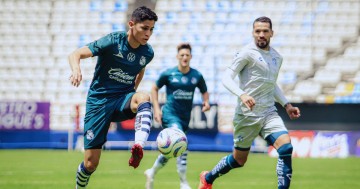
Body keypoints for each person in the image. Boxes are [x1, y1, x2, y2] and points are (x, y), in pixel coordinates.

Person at [198, 16, 301, 189]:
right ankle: (208, 178)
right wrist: (242, 94)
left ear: (271, 33)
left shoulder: (277, 57)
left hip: (268, 112)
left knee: (285, 149)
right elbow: (226, 77)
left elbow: (271, 84)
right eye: (258, 31)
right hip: (247, 115)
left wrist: (287, 105)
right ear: (253, 33)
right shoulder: (246, 53)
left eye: (265, 31)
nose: (261, 34)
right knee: (239, 160)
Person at [68, 6, 158, 189]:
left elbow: (140, 69)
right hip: (99, 104)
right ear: (131, 24)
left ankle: (138, 146)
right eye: (144, 28)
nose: (148, 33)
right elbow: (75, 54)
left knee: (143, 97)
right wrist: (76, 70)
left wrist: (134, 90)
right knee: (91, 164)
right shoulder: (112, 41)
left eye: (151, 29)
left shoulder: (148, 52)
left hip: (121, 100)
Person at [144, 43, 210, 189]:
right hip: (170, 115)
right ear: (177, 57)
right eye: (182, 55)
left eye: (187, 55)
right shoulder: (169, 74)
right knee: (181, 143)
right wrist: (156, 109)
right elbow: (154, 88)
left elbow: (204, 90)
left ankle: (152, 171)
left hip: (185, 117)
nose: (184, 57)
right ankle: (183, 182)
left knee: (170, 151)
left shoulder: (196, 75)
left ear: (191, 57)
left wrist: (206, 102)